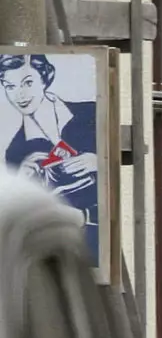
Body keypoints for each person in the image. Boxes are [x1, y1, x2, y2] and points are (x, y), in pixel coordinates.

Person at [0, 54, 100, 261]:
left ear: (45, 78)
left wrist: (99, 162)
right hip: (65, 253)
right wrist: (21, 182)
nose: (20, 94)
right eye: (9, 86)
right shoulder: (16, 151)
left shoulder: (91, 112)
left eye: (27, 83)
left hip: (106, 240)